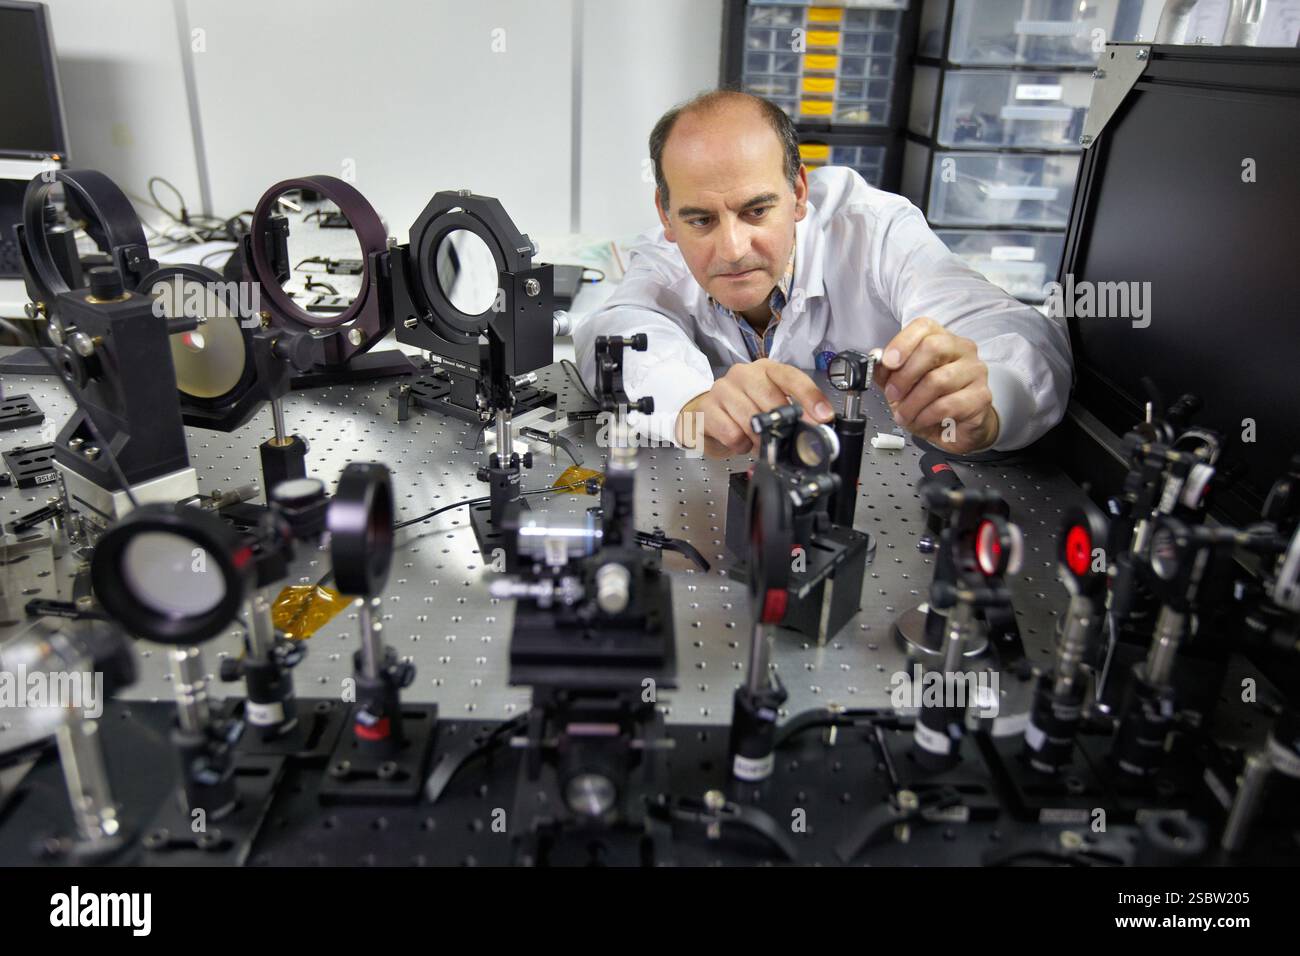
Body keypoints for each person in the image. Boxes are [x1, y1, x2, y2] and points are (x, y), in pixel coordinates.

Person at [575, 90, 1072, 458]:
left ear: (798, 192)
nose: (731, 248)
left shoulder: (872, 231)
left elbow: (1020, 334)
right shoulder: (666, 255)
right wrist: (689, 404)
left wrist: (988, 405)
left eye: (756, 210)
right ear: (666, 214)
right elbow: (608, 335)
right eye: (700, 220)